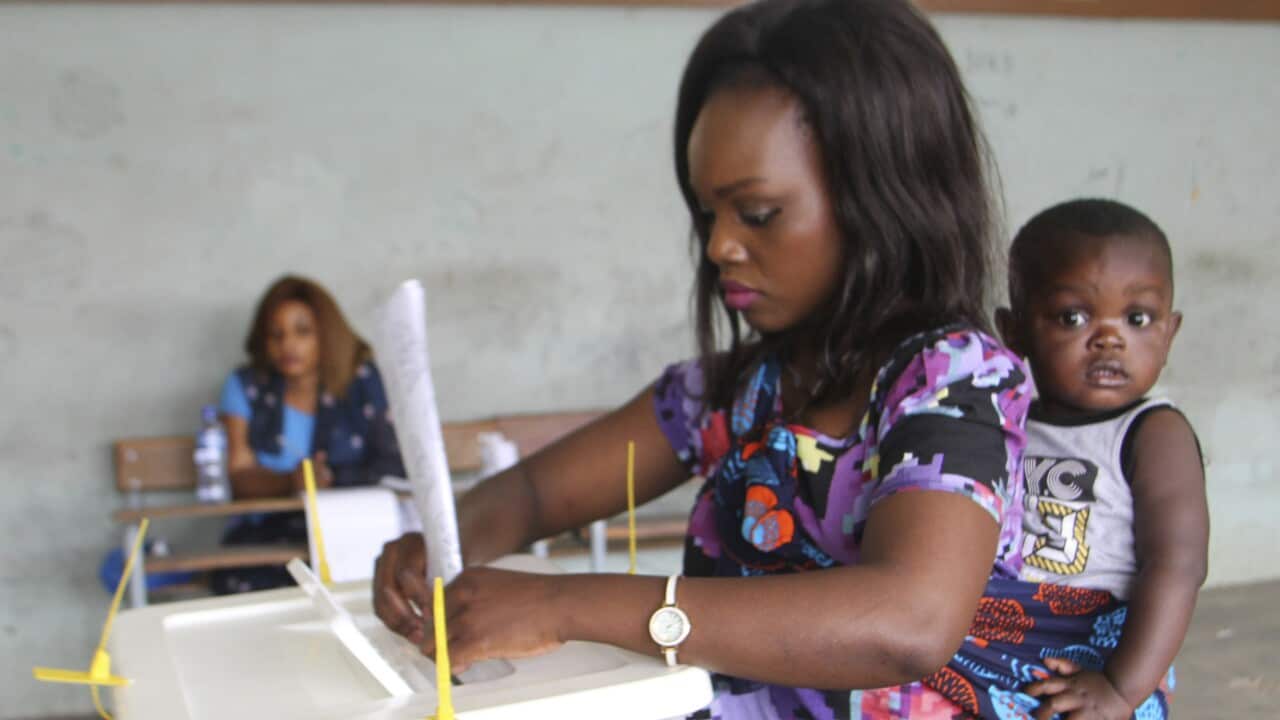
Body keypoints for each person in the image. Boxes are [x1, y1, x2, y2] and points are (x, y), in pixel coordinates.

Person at [375, 0, 1032, 717]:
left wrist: (565, 602)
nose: (719, 245)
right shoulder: (726, 397)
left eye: (755, 214)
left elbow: (908, 621)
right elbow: (532, 496)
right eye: (706, 214)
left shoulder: (954, 383)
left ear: (881, 199)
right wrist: (442, 544)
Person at [927, 200, 1208, 720]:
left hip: (1097, 653)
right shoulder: (1003, 421)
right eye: (1072, 317)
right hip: (998, 629)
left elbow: (1177, 565)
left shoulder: (1152, 433)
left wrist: (1122, 688)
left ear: (1169, 333)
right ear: (1014, 332)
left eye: (1137, 318)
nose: (1108, 337)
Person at [213, 274, 405, 593]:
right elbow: (240, 475)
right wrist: (292, 482)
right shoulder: (246, 387)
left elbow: (393, 465)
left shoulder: (362, 382)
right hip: (267, 538)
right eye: (276, 335)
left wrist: (331, 477)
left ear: (326, 334)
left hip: (354, 531)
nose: (288, 345)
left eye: (302, 331)